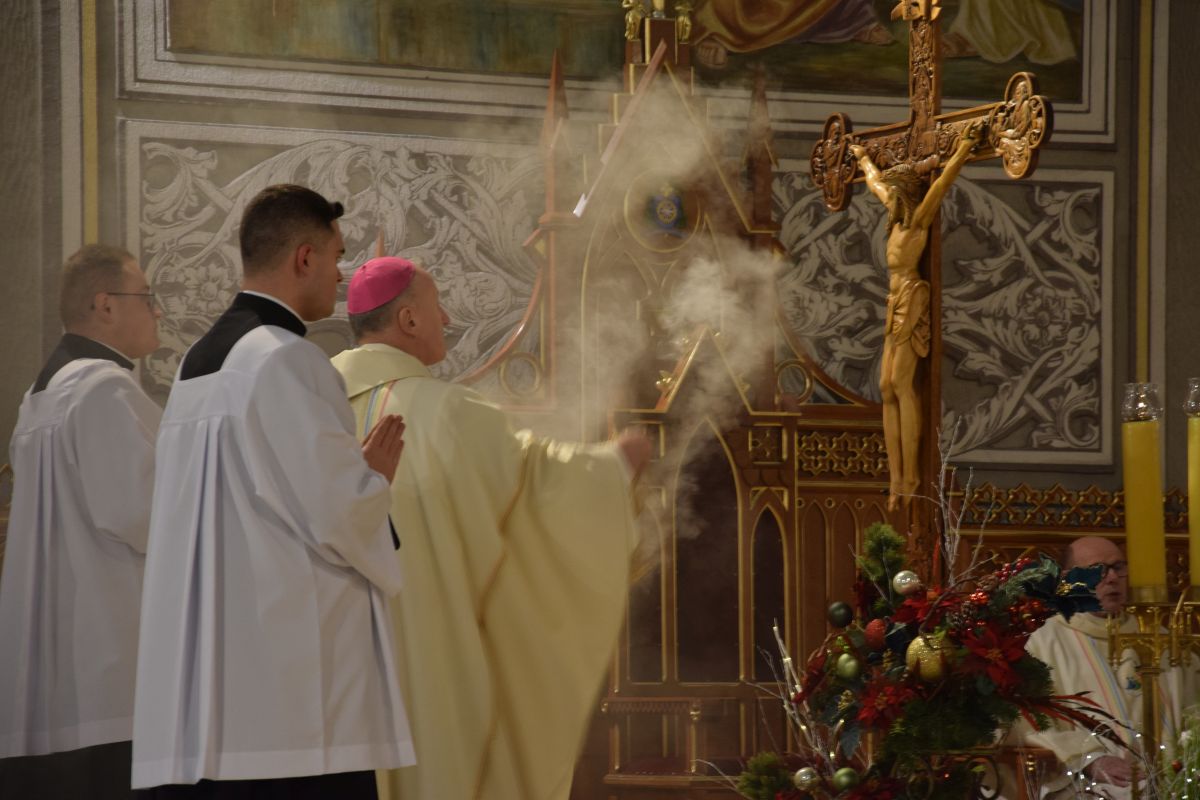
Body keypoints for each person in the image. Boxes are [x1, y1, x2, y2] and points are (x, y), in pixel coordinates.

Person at [330, 256, 653, 800]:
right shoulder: (449, 412)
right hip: (425, 666)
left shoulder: (310, 402)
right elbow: (533, 483)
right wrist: (612, 467)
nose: (447, 318)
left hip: (325, 671)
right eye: (437, 307)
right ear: (408, 319)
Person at [131, 185, 412, 799]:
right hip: (287, 695)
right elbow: (337, 514)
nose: (340, 275)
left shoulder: (198, 362)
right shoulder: (287, 359)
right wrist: (373, 480)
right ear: (305, 258)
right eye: (337, 257)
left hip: (213, 677)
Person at [0, 245, 162, 798]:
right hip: (107, 657)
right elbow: (142, 513)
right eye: (146, 297)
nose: (157, 310)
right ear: (105, 304)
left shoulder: (39, 395)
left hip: (49, 653)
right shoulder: (104, 388)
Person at [849, 124, 979, 510]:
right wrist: (863, 159)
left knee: (901, 384)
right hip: (893, 302)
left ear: (905, 194)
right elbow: (874, 182)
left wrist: (963, 150)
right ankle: (895, 477)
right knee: (885, 386)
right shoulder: (893, 216)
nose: (888, 196)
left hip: (911, 296)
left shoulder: (918, 221)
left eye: (894, 192)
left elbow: (941, 186)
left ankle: (911, 476)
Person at [1012, 536, 1198, 799]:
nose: (1111, 578)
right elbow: (1026, 725)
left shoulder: (1162, 640)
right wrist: (1090, 758)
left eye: (1117, 567)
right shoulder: (1041, 644)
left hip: (1176, 779)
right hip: (1086, 783)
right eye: (1097, 570)